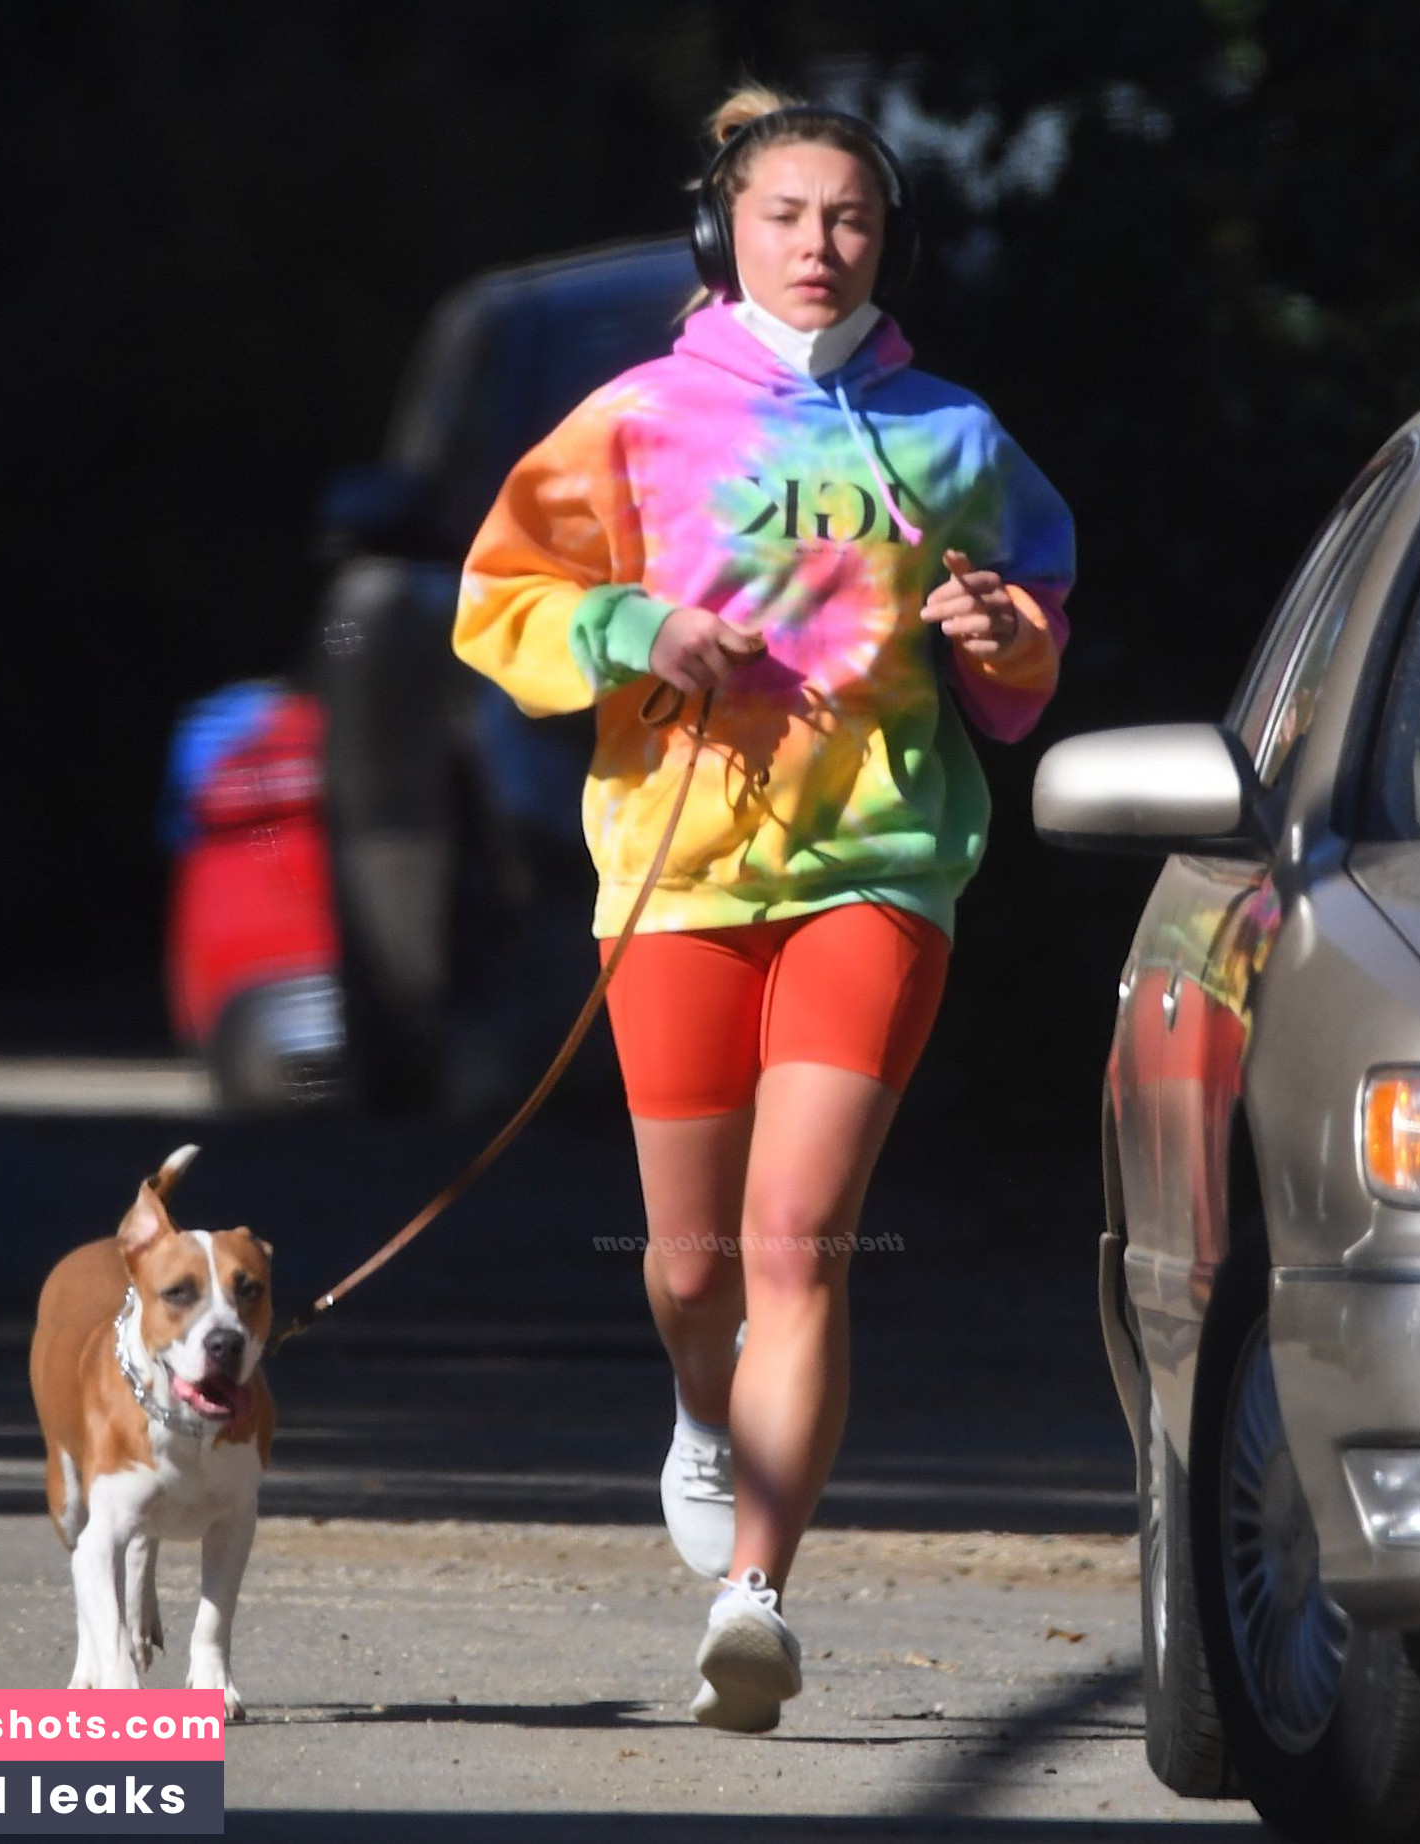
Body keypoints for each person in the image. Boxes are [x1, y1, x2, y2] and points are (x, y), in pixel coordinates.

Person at [452, 84, 1074, 1733]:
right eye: (786, 215)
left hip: (877, 863)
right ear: (725, 233)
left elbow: (1029, 637)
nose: (819, 244)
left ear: (888, 237)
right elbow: (500, 596)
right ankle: (696, 1407)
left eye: (850, 217)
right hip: (676, 872)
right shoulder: (635, 417)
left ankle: (755, 1592)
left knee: (797, 1242)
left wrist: (1004, 634)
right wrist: (637, 635)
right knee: (687, 1262)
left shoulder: (951, 433)